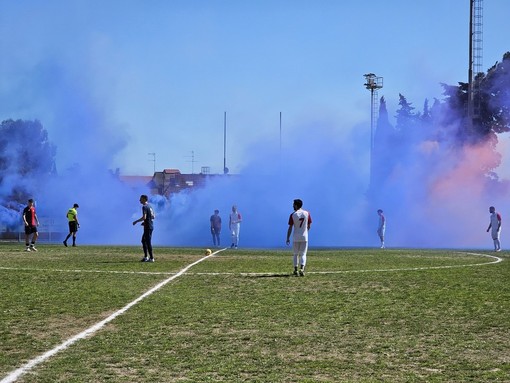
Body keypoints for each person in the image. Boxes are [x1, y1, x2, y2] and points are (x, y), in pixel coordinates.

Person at [286, 199, 312, 276]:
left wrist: (287, 237)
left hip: (295, 237)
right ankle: (302, 269)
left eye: (293, 204)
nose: (292, 206)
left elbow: (290, 227)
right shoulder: (307, 213)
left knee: (295, 254)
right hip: (304, 237)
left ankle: (295, 270)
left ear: (296, 205)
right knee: (303, 254)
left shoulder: (293, 215)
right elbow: (309, 225)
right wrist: (305, 232)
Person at [132, 195, 155, 262]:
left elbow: (144, 217)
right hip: (149, 226)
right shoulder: (150, 206)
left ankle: (151, 258)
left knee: (147, 242)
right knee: (143, 241)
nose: (140, 200)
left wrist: (136, 221)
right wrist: (146, 222)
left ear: (145, 199)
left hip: (148, 227)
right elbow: (153, 216)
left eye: (141, 199)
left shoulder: (144, 207)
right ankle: (146, 257)